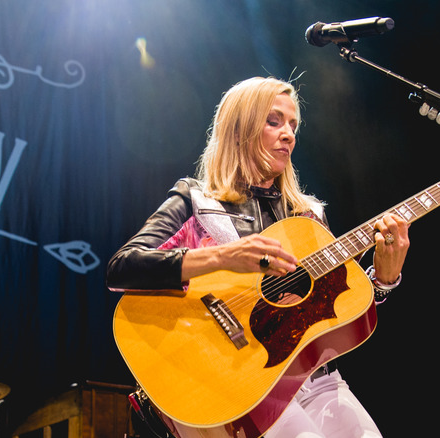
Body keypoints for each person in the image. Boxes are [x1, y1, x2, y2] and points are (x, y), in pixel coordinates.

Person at [106, 76, 411, 437]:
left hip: (315, 379)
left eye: (294, 125)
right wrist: (224, 257)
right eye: (274, 121)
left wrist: (382, 280)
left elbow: (331, 315)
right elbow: (122, 268)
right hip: (238, 381)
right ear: (239, 130)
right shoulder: (196, 201)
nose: (289, 134)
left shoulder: (308, 216)